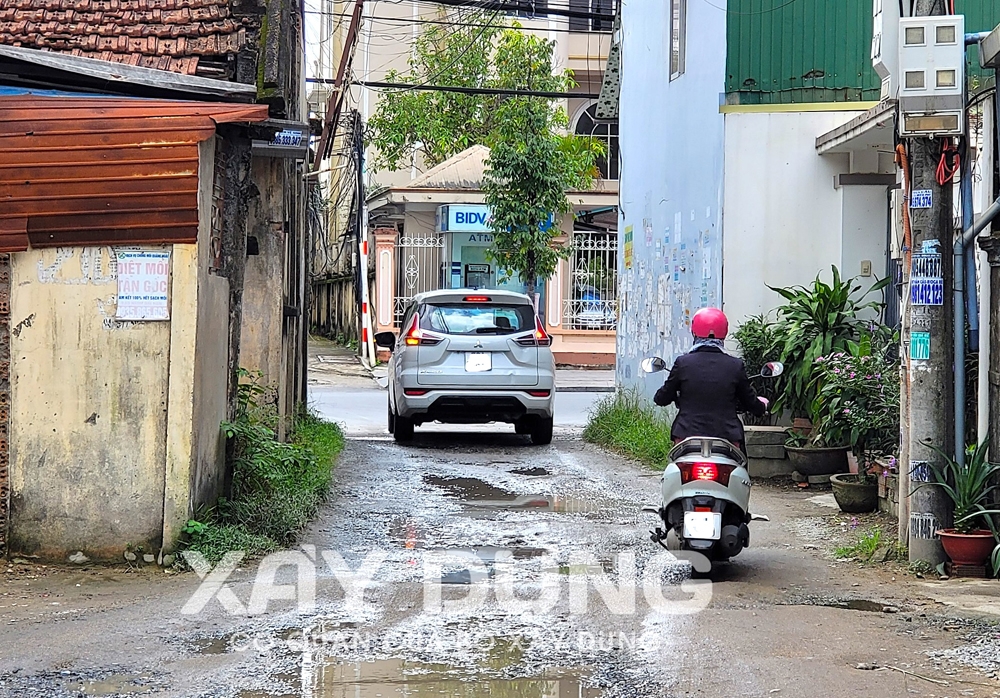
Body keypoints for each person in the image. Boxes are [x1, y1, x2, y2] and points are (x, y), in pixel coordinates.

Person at [653, 307, 768, 454]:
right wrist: (761, 406)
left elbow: (662, 398)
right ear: (724, 333)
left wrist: (668, 396)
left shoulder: (683, 363)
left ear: (694, 331)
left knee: (675, 470)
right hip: (727, 438)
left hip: (686, 435)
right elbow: (750, 402)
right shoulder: (735, 365)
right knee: (740, 470)